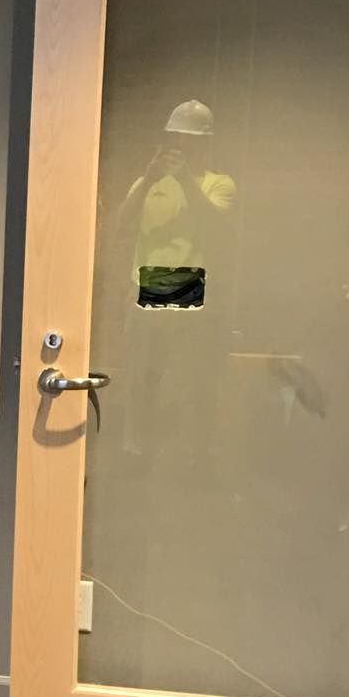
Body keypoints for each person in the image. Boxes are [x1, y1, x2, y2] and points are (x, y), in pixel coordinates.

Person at [113, 100, 237, 458]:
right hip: (146, 286)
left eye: (192, 139)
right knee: (141, 374)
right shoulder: (147, 181)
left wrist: (185, 180)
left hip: (191, 290)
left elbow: (218, 229)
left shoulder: (218, 183)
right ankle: (137, 449)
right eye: (178, 138)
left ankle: (189, 452)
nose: (184, 146)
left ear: (205, 143)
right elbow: (121, 226)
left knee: (188, 376)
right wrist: (150, 179)